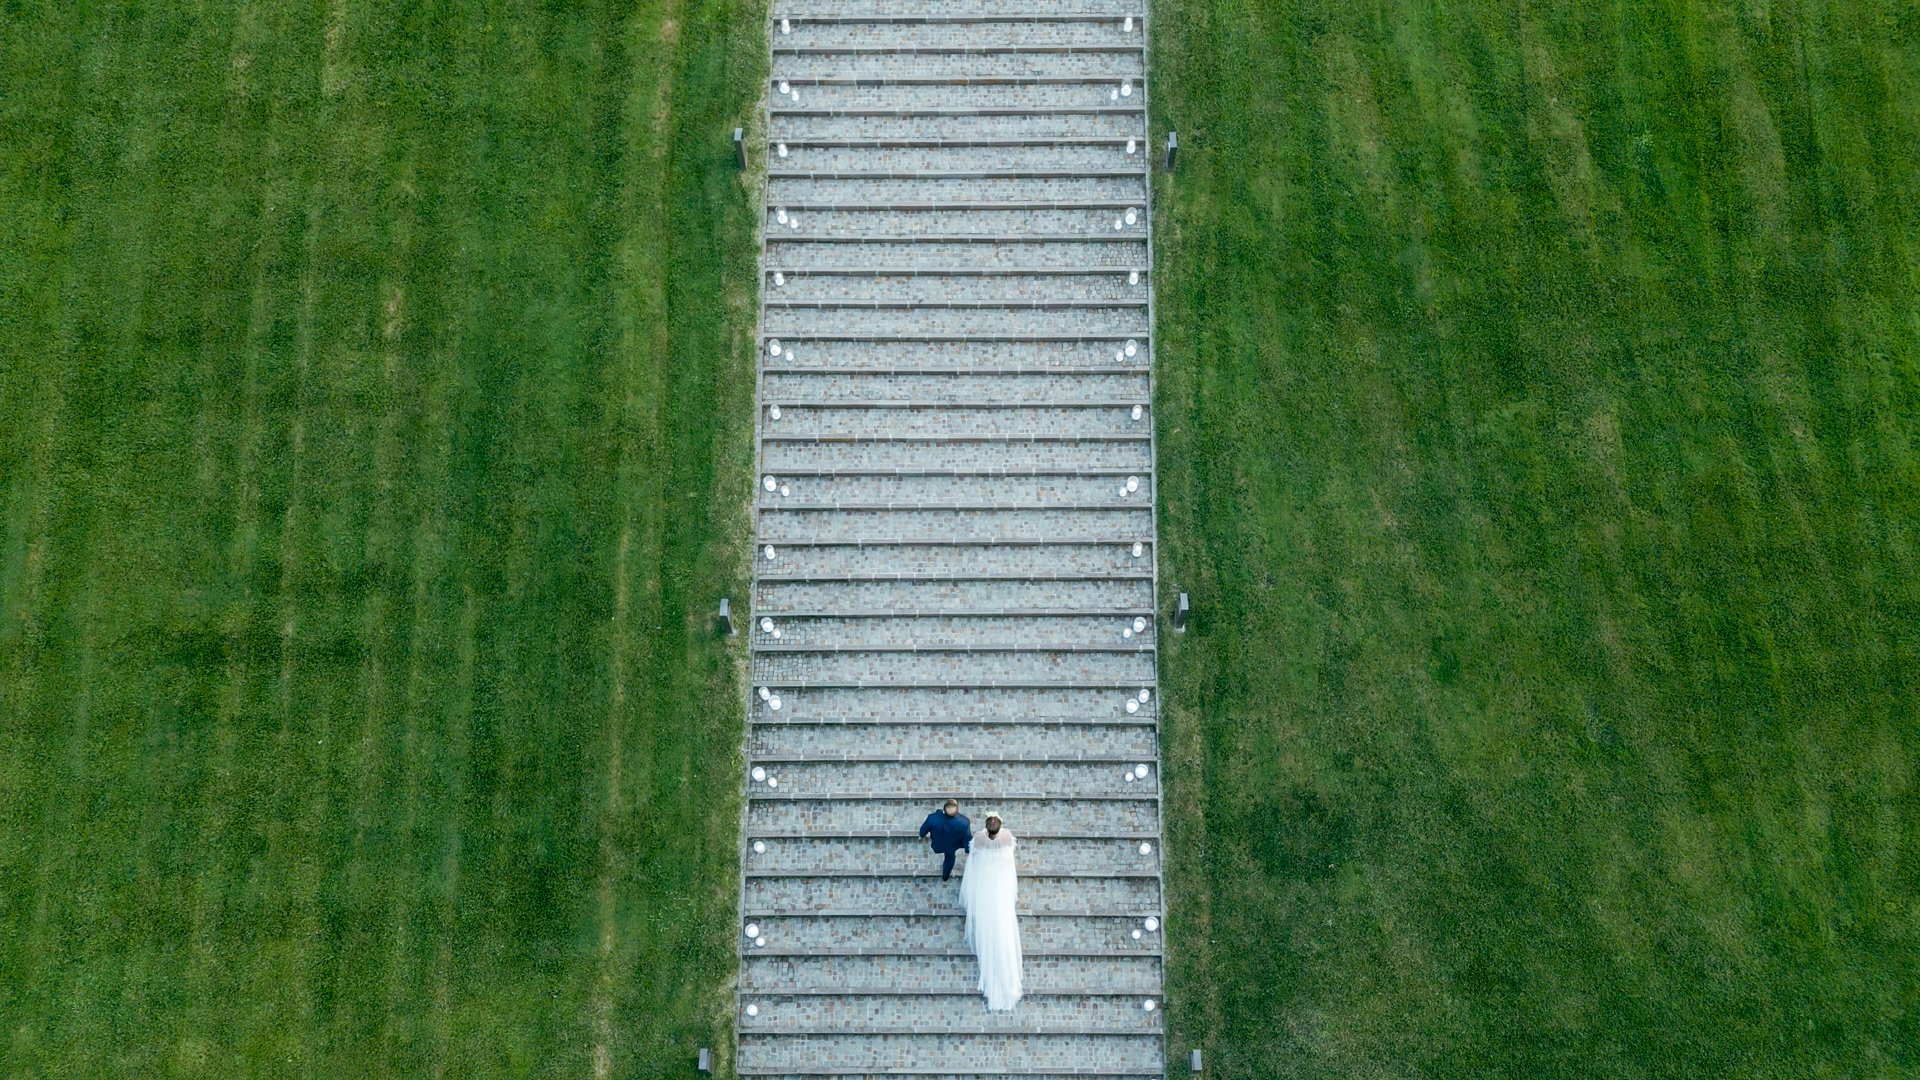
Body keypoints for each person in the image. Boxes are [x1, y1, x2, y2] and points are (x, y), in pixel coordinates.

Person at [960, 813, 1023, 1011]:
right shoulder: (1007, 838)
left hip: (986, 888)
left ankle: (990, 975)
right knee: (1003, 928)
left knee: (988, 927)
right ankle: (1007, 978)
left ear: (987, 827)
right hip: (1001, 890)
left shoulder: (979, 838)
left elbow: (973, 858)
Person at [918, 799, 971, 881]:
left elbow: (922, 833)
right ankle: (945, 876)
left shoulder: (932, 818)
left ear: (944, 810)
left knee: (948, 854)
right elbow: (967, 838)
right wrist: (968, 850)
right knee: (950, 858)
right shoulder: (964, 821)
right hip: (952, 845)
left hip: (938, 844)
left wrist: (938, 813)